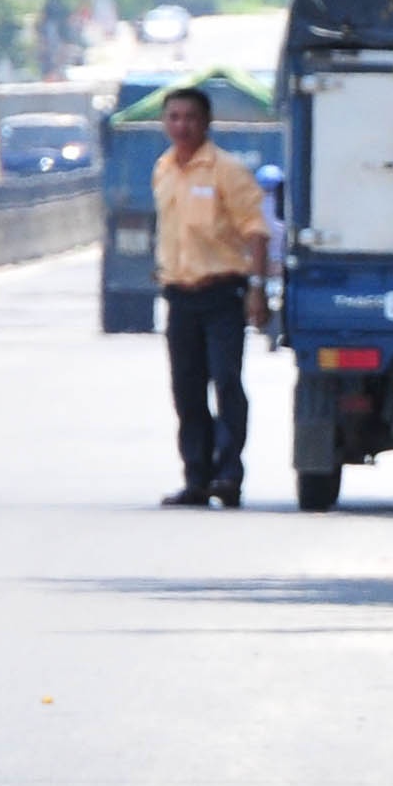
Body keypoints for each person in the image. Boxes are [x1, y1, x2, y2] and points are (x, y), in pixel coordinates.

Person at [151, 86, 268, 507]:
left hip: (221, 293)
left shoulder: (226, 171)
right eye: (174, 117)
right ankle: (196, 478)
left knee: (227, 382)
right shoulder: (163, 169)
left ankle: (229, 473)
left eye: (190, 118)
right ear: (165, 123)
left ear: (206, 123)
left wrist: (257, 289)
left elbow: (256, 231)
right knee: (186, 390)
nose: (181, 125)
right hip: (180, 296)